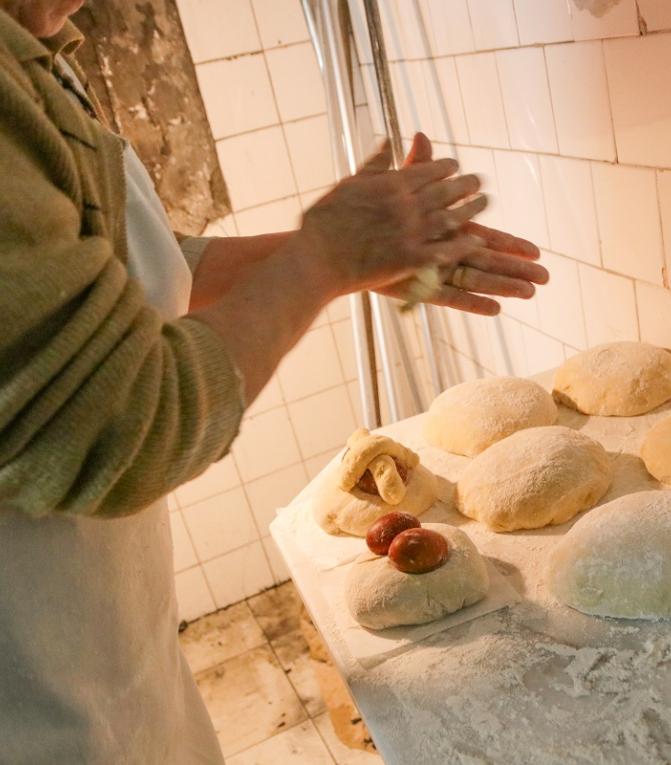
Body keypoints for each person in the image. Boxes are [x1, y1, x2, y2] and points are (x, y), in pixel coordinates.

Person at [0, 2, 548, 762]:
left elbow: (146, 266)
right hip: (32, 704)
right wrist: (320, 259)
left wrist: (358, 256)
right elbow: (114, 424)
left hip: (106, 644)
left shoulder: (39, 49)